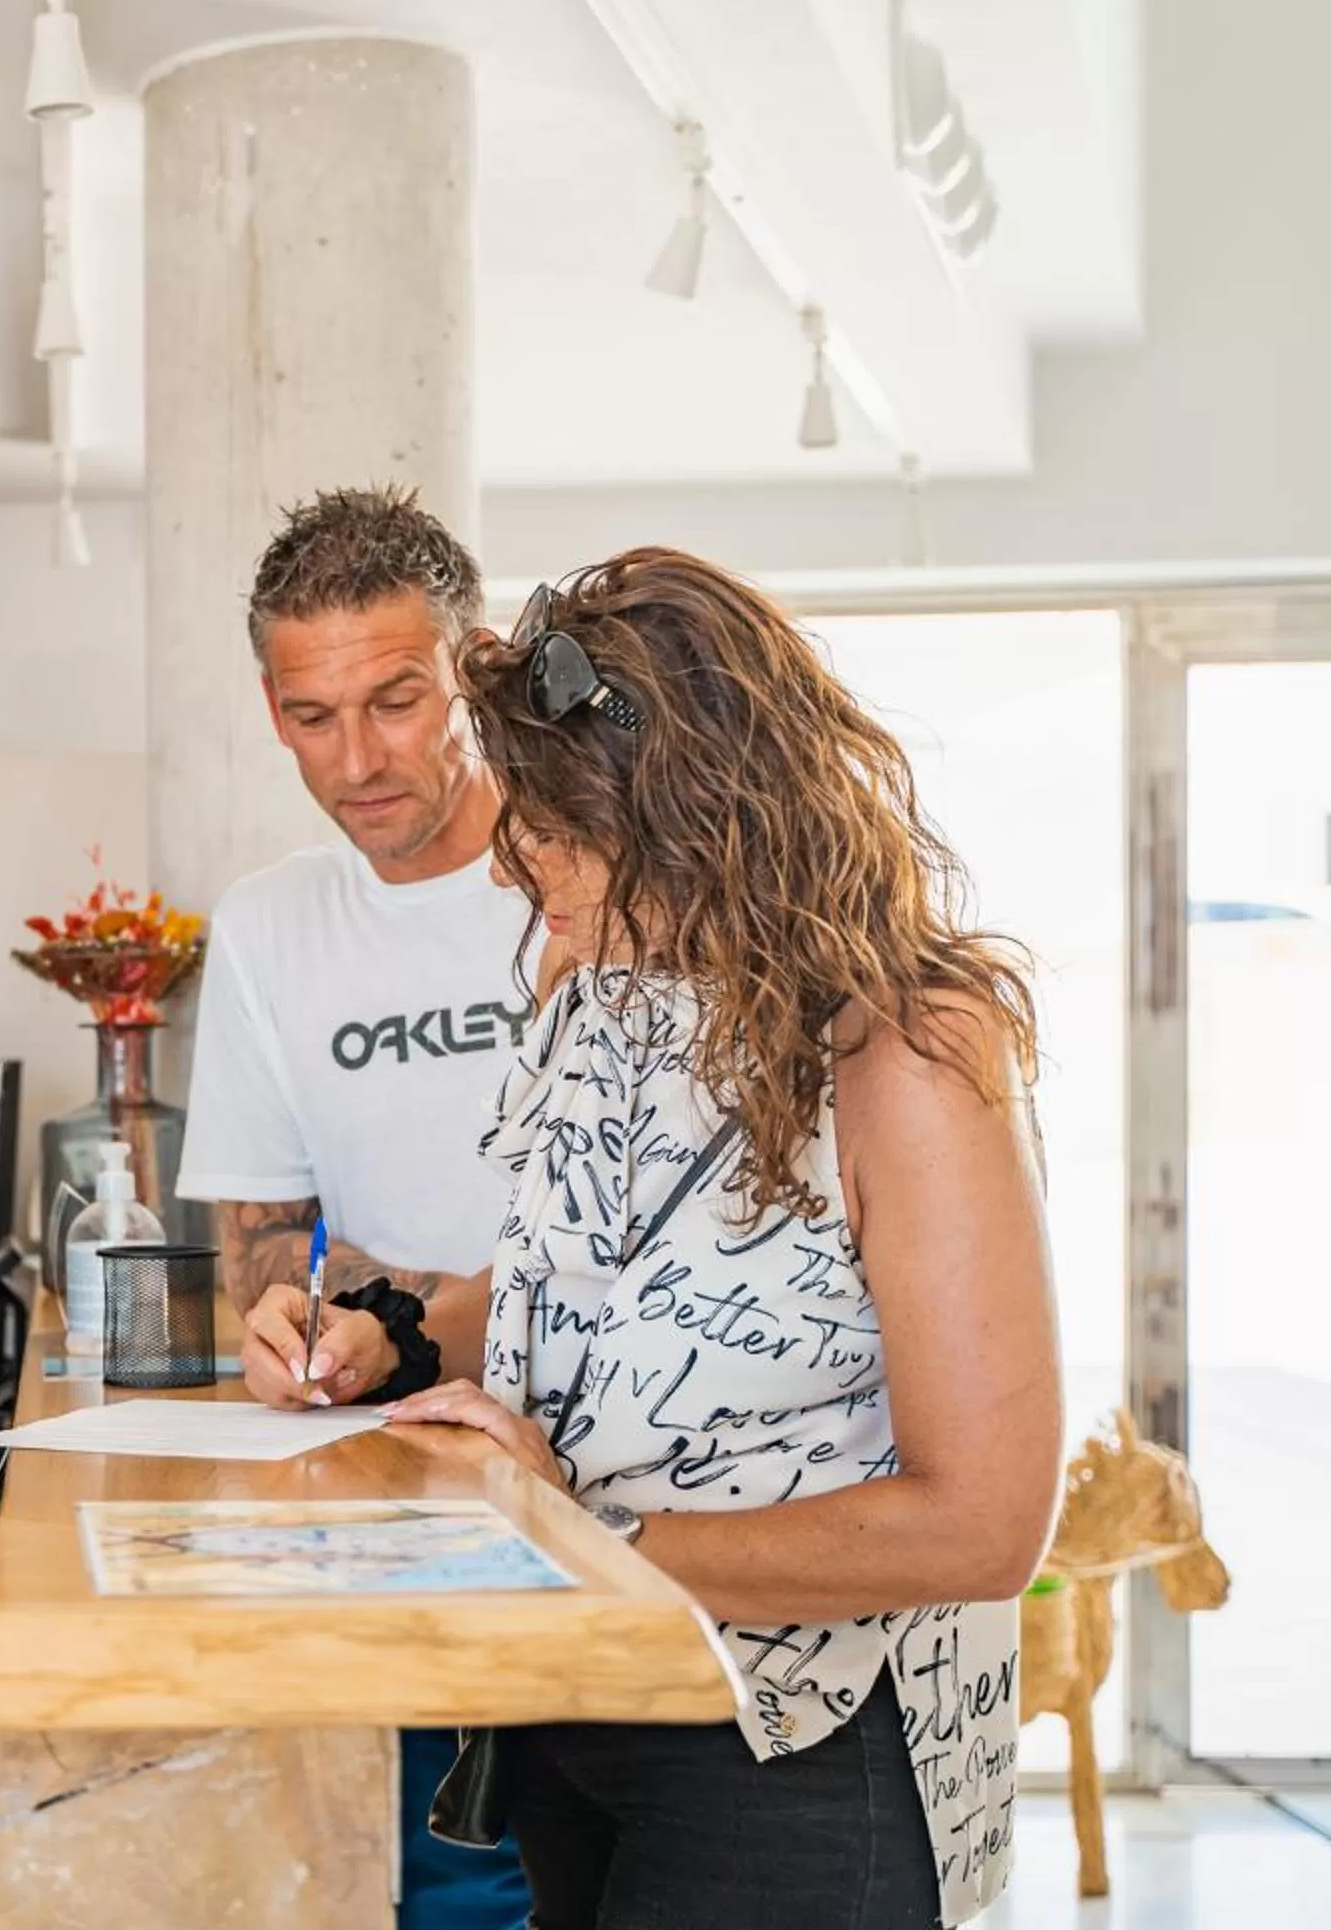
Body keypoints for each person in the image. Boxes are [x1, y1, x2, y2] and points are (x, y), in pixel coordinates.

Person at [242, 548, 1062, 1928]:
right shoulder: (596, 978)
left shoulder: (907, 1054)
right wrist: (379, 1333)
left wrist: (579, 1529)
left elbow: (982, 1524)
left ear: (700, 817)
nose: (518, 866)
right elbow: (586, 1287)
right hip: (588, 1695)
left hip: (796, 1748)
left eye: (557, 831)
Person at [173, 485, 535, 1930]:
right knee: (440, 1884)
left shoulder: (589, 880)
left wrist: (407, 1308)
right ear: (272, 709)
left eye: (396, 700)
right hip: (419, 1497)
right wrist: (288, 1314)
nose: (359, 760)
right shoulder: (271, 924)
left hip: (648, 1485)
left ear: (473, 670)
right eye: (313, 715)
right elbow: (259, 1234)